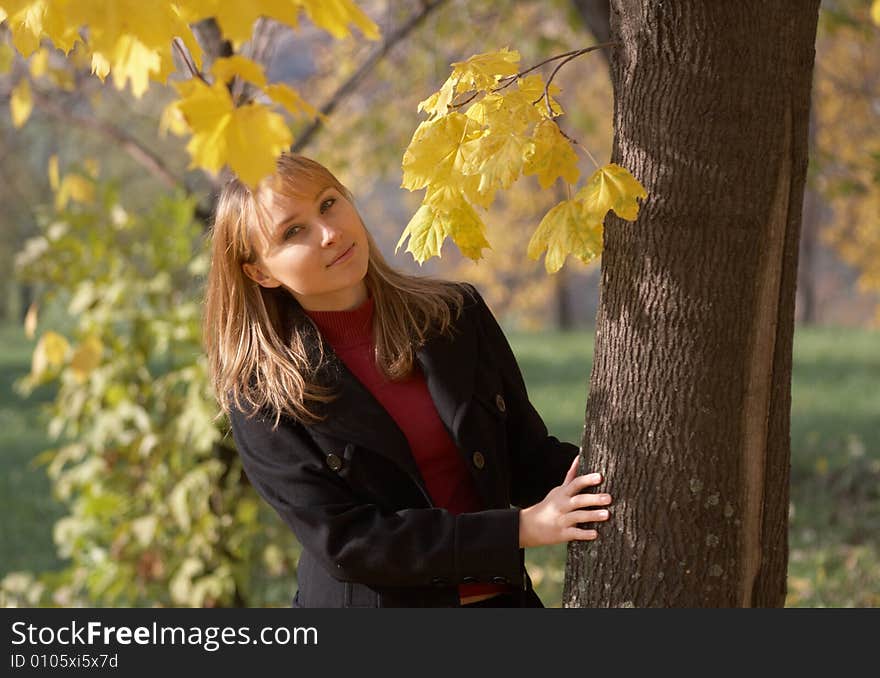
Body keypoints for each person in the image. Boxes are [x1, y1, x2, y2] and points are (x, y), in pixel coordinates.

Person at [202, 153, 613, 608]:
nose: (330, 232)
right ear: (259, 271)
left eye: (328, 203)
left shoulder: (454, 316)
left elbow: (527, 459)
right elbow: (349, 543)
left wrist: (627, 478)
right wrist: (521, 529)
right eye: (293, 231)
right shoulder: (260, 394)